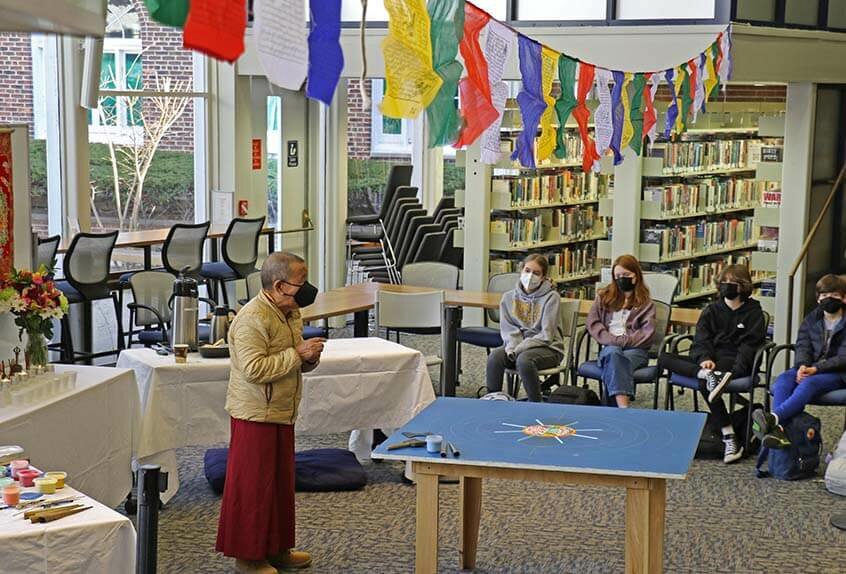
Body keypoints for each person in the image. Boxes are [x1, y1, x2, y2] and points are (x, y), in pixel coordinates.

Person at [216, 252, 325, 574]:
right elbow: (253, 369)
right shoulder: (253, 318)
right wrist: (297, 353)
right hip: (255, 414)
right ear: (278, 286)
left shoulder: (289, 312)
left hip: (280, 410)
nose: (306, 290)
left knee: (278, 485)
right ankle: (248, 558)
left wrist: (308, 359)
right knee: (253, 488)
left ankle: (277, 548)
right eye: (300, 284)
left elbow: (292, 361)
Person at [658, 264, 766, 463]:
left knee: (704, 384)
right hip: (710, 361)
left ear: (743, 286)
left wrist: (735, 371)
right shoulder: (712, 310)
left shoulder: (754, 312)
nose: (726, 287)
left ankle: (729, 435)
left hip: (733, 361)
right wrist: (705, 359)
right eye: (723, 283)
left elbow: (749, 346)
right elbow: (701, 340)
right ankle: (706, 375)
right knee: (664, 357)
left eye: (731, 283)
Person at [753, 274, 846, 449]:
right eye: (824, 296)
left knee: (808, 384)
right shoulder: (812, 319)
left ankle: (773, 418)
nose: (829, 299)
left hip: (837, 373)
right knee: (782, 382)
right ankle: (778, 431)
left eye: (834, 295)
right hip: (810, 368)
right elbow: (802, 345)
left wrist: (815, 369)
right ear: (818, 299)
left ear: (843, 298)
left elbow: (843, 358)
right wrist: (802, 365)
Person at [485, 253, 564, 402]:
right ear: (521, 270)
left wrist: (519, 349)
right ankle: (492, 400)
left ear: (543, 277)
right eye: (527, 271)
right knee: (495, 357)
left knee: (524, 360)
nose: (530, 276)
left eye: (536, 273)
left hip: (548, 348)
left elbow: (546, 334)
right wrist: (513, 349)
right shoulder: (508, 298)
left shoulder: (552, 298)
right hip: (515, 348)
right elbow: (509, 330)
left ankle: (535, 404)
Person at [586, 254, 656, 408]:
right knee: (614, 354)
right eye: (617, 276)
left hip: (636, 351)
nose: (621, 279)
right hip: (609, 347)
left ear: (636, 276)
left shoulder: (646, 303)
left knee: (614, 362)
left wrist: (624, 341)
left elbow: (647, 333)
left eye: (626, 275)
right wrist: (612, 340)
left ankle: (613, 410)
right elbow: (593, 323)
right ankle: (623, 408)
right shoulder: (603, 297)